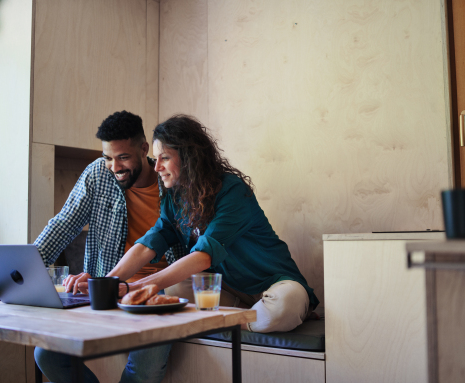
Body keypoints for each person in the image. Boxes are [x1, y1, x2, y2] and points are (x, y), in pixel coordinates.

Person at [17, 110, 184, 383]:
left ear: (144, 149)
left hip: (159, 289)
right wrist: (20, 275)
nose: (113, 166)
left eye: (122, 157)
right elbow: (63, 224)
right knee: (46, 355)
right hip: (106, 286)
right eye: (108, 157)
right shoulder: (98, 173)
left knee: (146, 369)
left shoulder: (168, 179)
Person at [110, 114, 320, 333]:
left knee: (286, 303)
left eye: (164, 158)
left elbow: (204, 256)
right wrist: (107, 282)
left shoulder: (232, 190)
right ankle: (250, 314)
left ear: (189, 157)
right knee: (175, 289)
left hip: (275, 284)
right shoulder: (174, 199)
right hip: (231, 291)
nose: (157, 167)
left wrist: (138, 286)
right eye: (157, 158)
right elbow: (149, 243)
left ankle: (266, 314)